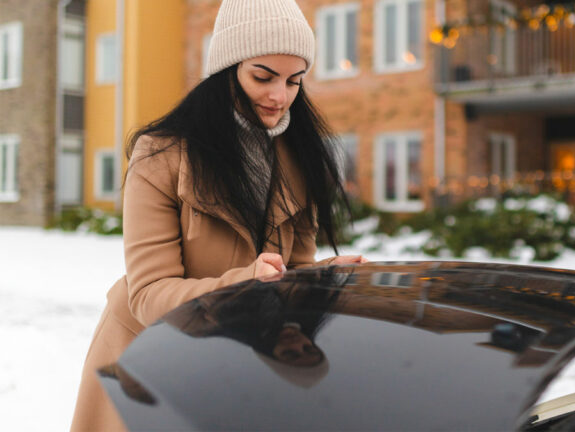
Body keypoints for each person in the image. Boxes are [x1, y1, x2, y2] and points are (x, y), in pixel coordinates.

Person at [70, 1, 365, 430]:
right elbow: (149, 294)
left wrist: (324, 279)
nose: (279, 96)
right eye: (262, 76)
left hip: (242, 356)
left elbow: (292, 275)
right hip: (148, 360)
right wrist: (245, 284)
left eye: (294, 81)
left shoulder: (301, 157)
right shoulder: (161, 154)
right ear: (227, 70)